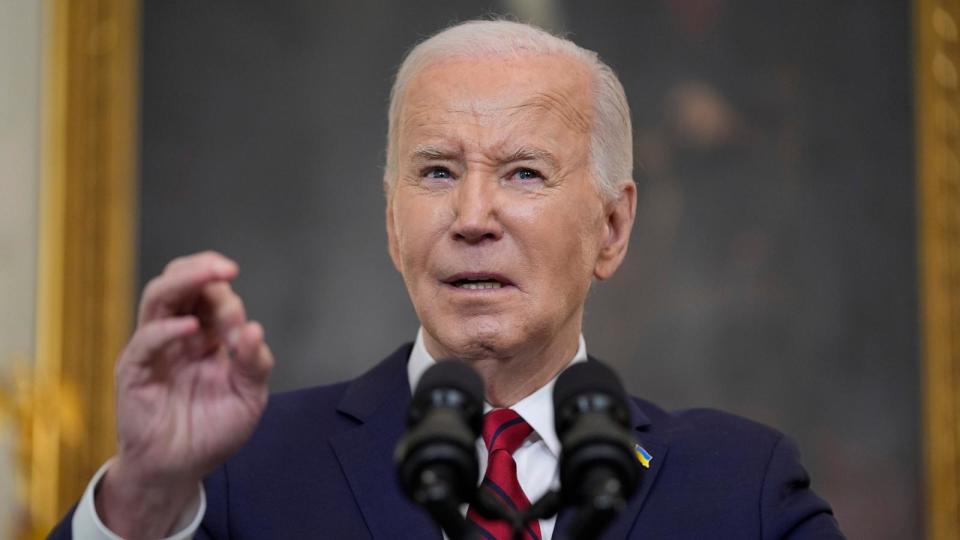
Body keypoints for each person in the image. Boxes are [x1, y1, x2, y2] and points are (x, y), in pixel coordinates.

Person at [51, 19, 843, 539]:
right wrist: (144, 496)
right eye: (435, 172)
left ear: (612, 227)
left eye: (524, 173)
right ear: (394, 222)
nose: (472, 216)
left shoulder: (741, 488)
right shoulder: (239, 472)